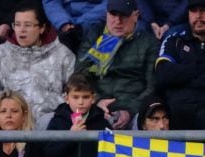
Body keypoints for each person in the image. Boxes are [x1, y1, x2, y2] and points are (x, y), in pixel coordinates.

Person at [0, 1, 75, 130]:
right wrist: (10, 108)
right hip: (11, 122)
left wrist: (46, 105)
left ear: (42, 28)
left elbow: (73, 92)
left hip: (48, 121)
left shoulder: (63, 55)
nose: (21, 30)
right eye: (17, 25)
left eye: (27, 25)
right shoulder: (0, 54)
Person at [75, 0, 158, 130]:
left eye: (123, 15)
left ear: (135, 16)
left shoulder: (148, 42)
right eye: (113, 15)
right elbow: (80, 76)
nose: (118, 21)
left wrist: (128, 111)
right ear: (106, 14)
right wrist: (97, 101)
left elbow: (152, 87)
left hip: (133, 110)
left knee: (146, 122)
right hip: (95, 107)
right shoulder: (95, 35)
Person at [154, 0, 205, 130]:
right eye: (194, 11)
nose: (198, 16)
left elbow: (172, 75)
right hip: (177, 113)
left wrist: (181, 74)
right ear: (188, 14)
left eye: (203, 10)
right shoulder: (174, 40)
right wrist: (199, 68)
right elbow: (163, 75)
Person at [43, 72, 109, 157]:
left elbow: (110, 156)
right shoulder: (58, 121)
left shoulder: (101, 122)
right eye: (75, 97)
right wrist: (71, 137)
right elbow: (50, 156)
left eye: (86, 97)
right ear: (67, 99)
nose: (80, 102)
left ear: (93, 99)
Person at [42, 0, 106, 51]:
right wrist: (63, 23)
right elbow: (51, 2)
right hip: (64, 23)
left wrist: (82, 25)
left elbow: (110, 4)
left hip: (96, 21)